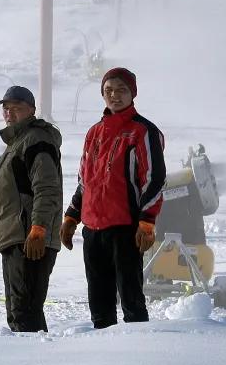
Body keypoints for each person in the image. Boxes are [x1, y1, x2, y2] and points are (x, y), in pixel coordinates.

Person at [61, 67, 165, 327]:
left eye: (121, 90)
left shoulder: (143, 131)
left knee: (131, 298)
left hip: (125, 228)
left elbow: (154, 179)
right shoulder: (94, 133)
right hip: (93, 229)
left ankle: (137, 353)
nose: (114, 96)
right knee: (99, 300)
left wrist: (147, 221)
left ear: (133, 93)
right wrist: (72, 217)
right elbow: (85, 181)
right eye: (108, 91)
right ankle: (103, 356)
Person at [0, 85, 64, 332]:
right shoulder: (17, 143)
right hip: (16, 237)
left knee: (25, 312)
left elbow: (46, 188)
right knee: (19, 312)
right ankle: (31, 363)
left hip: (30, 239)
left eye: (17, 108)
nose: (10, 114)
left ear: (31, 110)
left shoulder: (35, 140)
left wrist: (38, 229)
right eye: (6, 109)